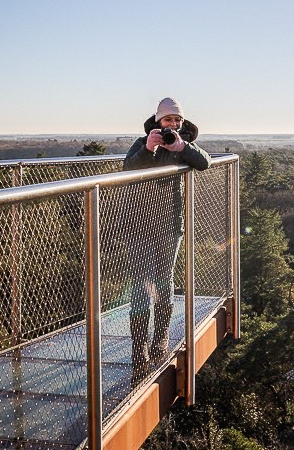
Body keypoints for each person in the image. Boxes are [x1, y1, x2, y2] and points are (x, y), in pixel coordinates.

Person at [123, 97, 211, 381]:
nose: (172, 125)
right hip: (139, 225)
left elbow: (205, 162)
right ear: (158, 122)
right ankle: (139, 350)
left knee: (164, 279)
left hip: (170, 226)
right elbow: (129, 170)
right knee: (139, 283)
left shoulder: (183, 147)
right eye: (167, 120)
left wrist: (182, 147)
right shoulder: (143, 143)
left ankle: (159, 340)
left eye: (177, 120)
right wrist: (149, 149)